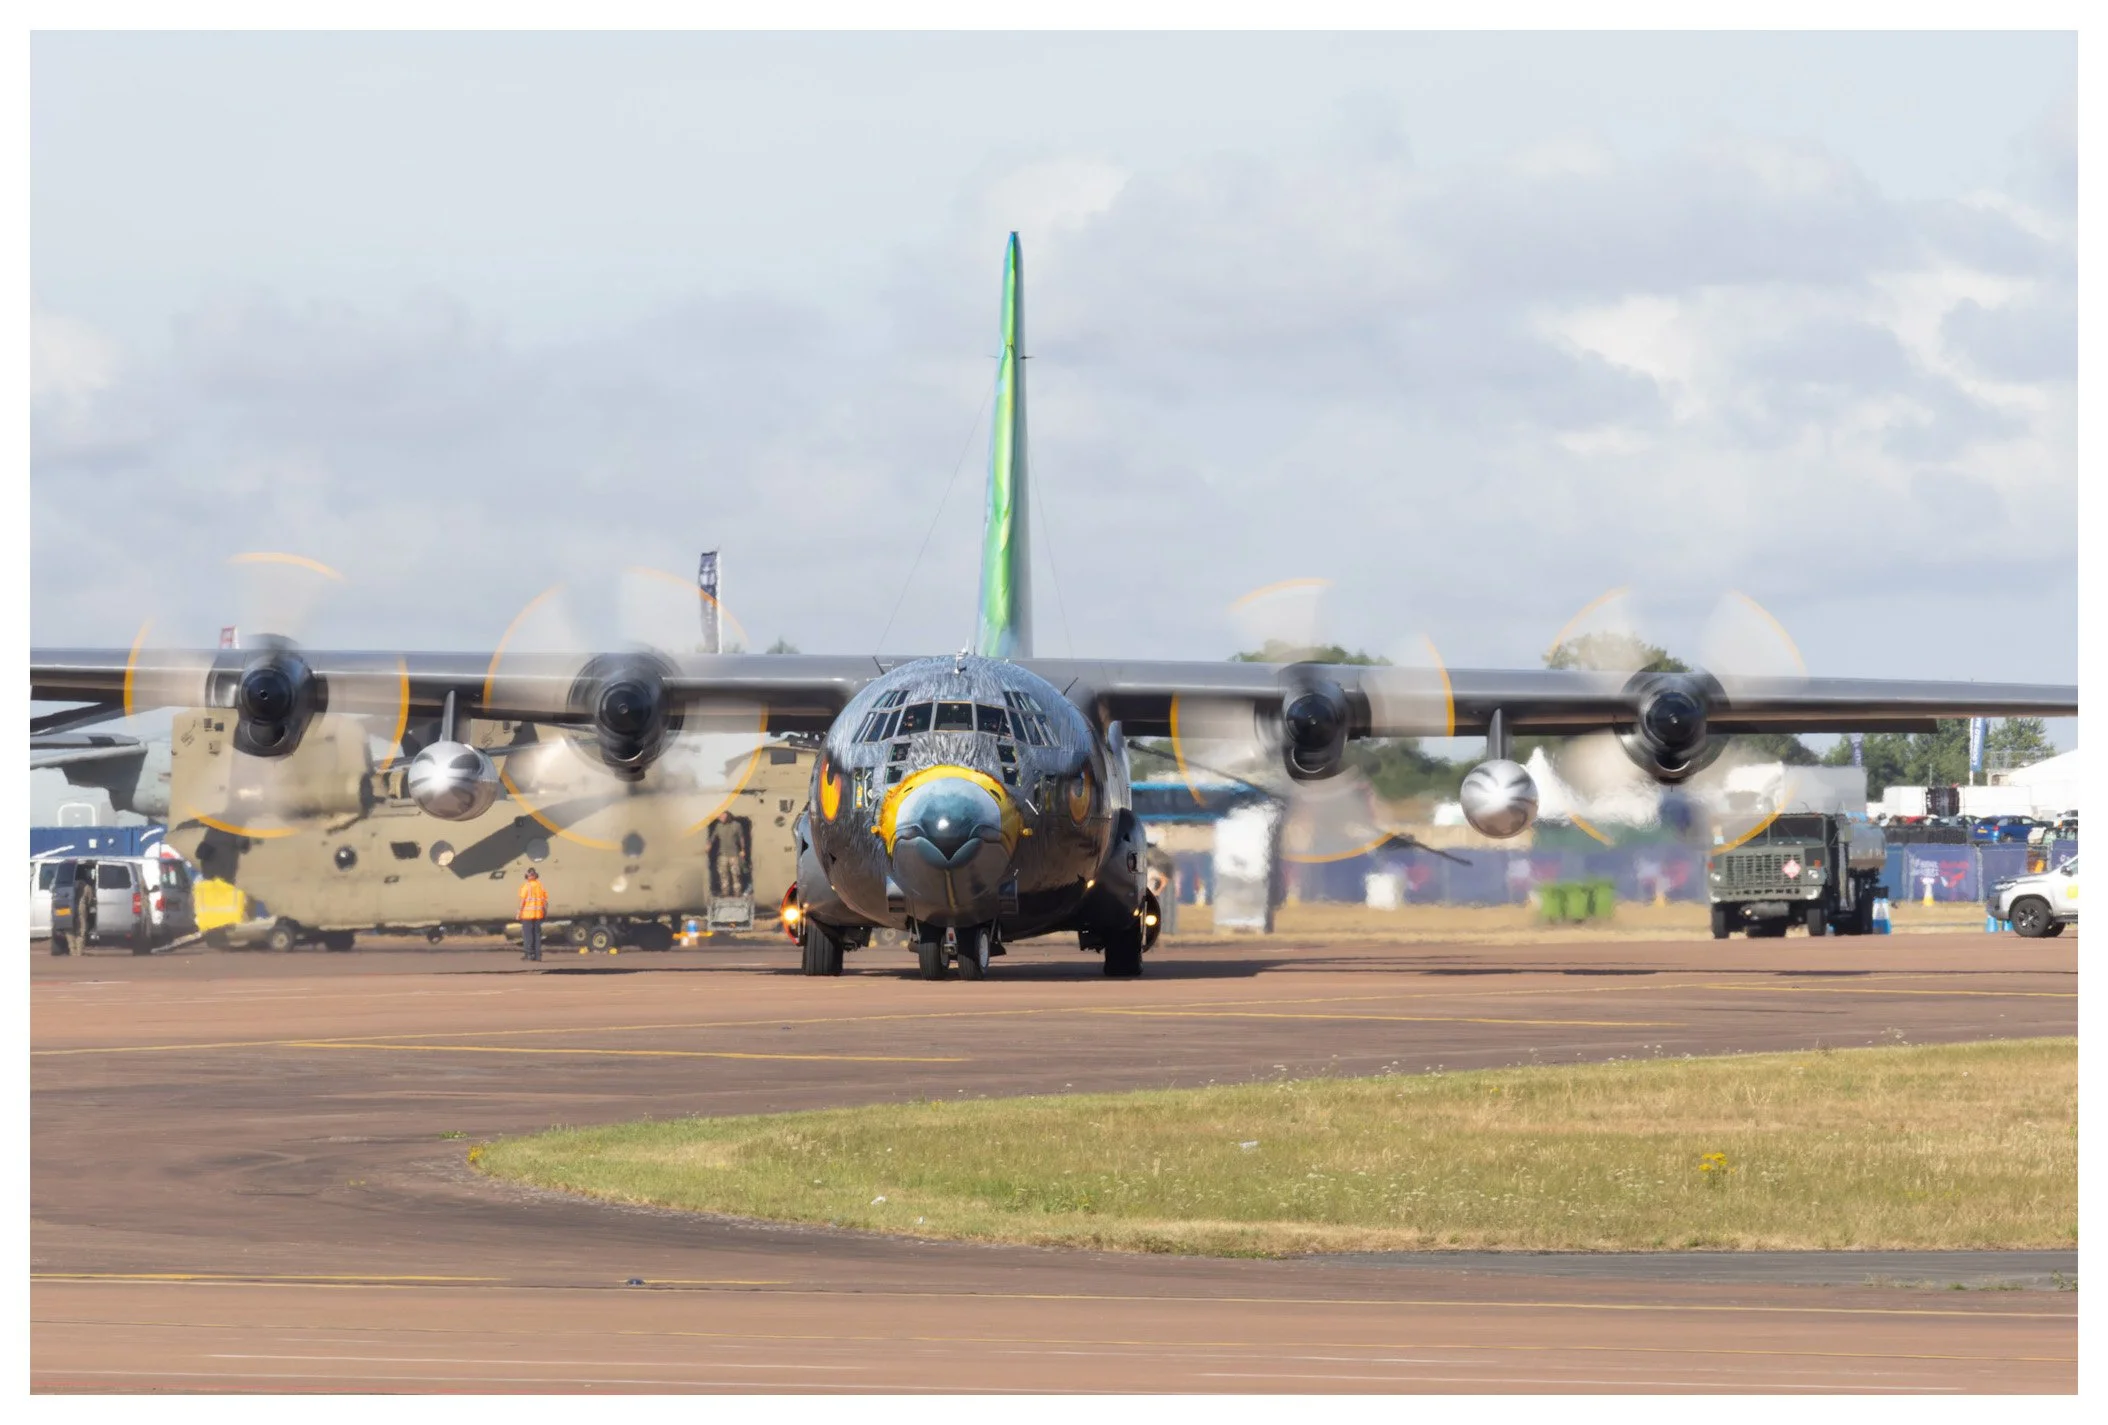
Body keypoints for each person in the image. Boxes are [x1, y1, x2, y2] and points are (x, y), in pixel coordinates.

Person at [518, 866, 548, 961]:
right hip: (538, 914)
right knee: (537, 935)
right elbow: (544, 902)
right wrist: (544, 912)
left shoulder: (526, 886)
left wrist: (519, 912)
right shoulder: (540, 886)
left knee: (528, 936)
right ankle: (538, 956)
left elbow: (523, 900)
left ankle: (529, 954)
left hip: (527, 915)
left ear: (527, 876)